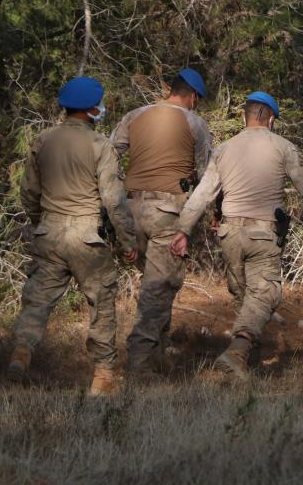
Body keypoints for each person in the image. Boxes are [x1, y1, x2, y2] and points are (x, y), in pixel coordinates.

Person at [169, 92, 303, 379]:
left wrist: (183, 230)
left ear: (244, 117)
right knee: (267, 293)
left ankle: (247, 363)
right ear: (270, 119)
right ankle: (238, 350)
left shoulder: (223, 150)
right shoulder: (283, 147)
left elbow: (202, 194)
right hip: (263, 233)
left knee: (245, 297)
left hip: (229, 233)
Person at [9, 76, 138, 395]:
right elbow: (113, 199)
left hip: (49, 233)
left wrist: (43, 222)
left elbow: (28, 192)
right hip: (86, 236)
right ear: (93, 109)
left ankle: (22, 351)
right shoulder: (100, 145)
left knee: (38, 300)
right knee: (101, 301)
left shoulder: (42, 139)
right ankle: (103, 374)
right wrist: (127, 242)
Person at [111, 67, 212, 375]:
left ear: (171, 89)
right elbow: (208, 174)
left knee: (157, 284)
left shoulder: (134, 115)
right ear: (193, 97)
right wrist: (203, 216)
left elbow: (108, 155)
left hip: (130, 209)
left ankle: (158, 354)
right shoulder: (195, 122)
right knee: (158, 287)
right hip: (166, 212)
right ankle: (139, 361)